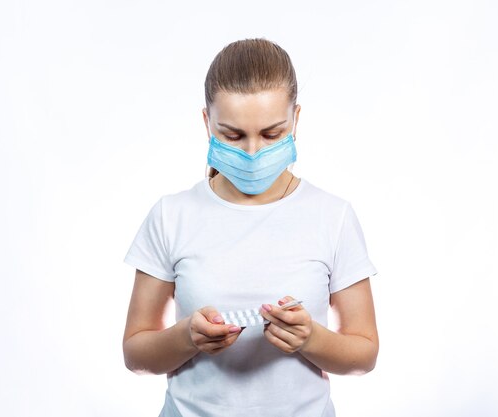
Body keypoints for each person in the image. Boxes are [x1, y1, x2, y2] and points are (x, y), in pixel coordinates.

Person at [122, 38, 379, 417]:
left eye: (272, 134)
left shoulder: (333, 216)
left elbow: (364, 353)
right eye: (233, 135)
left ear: (296, 120)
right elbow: (136, 353)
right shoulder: (171, 215)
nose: (253, 153)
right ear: (207, 122)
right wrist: (185, 337)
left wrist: (310, 338)